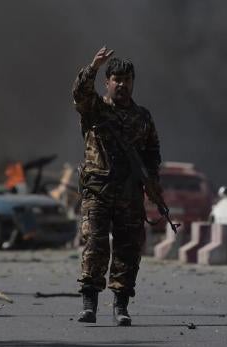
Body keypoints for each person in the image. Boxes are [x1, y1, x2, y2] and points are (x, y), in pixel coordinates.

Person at [72, 46, 161, 326]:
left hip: (129, 193)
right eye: (117, 79)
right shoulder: (95, 109)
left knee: (128, 250)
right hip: (97, 190)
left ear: (133, 82)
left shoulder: (142, 117)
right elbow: (80, 93)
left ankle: (121, 306)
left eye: (127, 80)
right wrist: (93, 67)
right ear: (107, 82)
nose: (122, 85)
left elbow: (152, 151)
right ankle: (89, 304)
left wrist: (152, 181)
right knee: (95, 245)